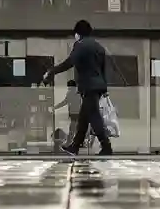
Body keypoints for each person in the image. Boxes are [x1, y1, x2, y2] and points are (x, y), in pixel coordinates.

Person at [43, 19, 113, 156]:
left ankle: (106, 146)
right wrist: (104, 87)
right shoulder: (99, 47)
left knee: (94, 117)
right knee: (83, 117)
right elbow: (104, 68)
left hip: (88, 86)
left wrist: (52, 71)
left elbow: (70, 62)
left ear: (78, 33)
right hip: (98, 86)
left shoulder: (80, 45)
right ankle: (75, 146)